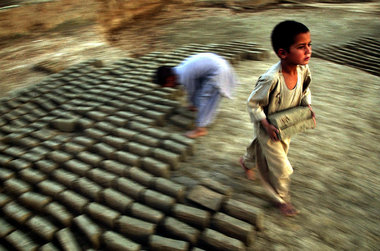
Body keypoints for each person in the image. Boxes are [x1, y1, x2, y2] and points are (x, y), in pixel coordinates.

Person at [239, 20, 316, 216]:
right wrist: (264, 123)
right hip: (268, 126)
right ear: (282, 53)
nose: (308, 51)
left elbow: (305, 89)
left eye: (309, 44)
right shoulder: (271, 78)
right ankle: (281, 199)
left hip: (286, 123)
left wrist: (307, 107)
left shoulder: (303, 70)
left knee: (259, 146)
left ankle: (246, 162)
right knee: (281, 166)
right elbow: (253, 103)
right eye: (301, 47)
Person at [154, 52, 238, 138]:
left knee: (205, 99)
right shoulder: (180, 70)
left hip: (219, 72)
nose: (169, 87)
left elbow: (192, 91)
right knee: (201, 93)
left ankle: (200, 129)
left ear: (169, 79)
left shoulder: (184, 75)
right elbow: (196, 87)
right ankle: (201, 115)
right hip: (217, 66)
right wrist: (193, 105)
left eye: (166, 85)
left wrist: (193, 104)